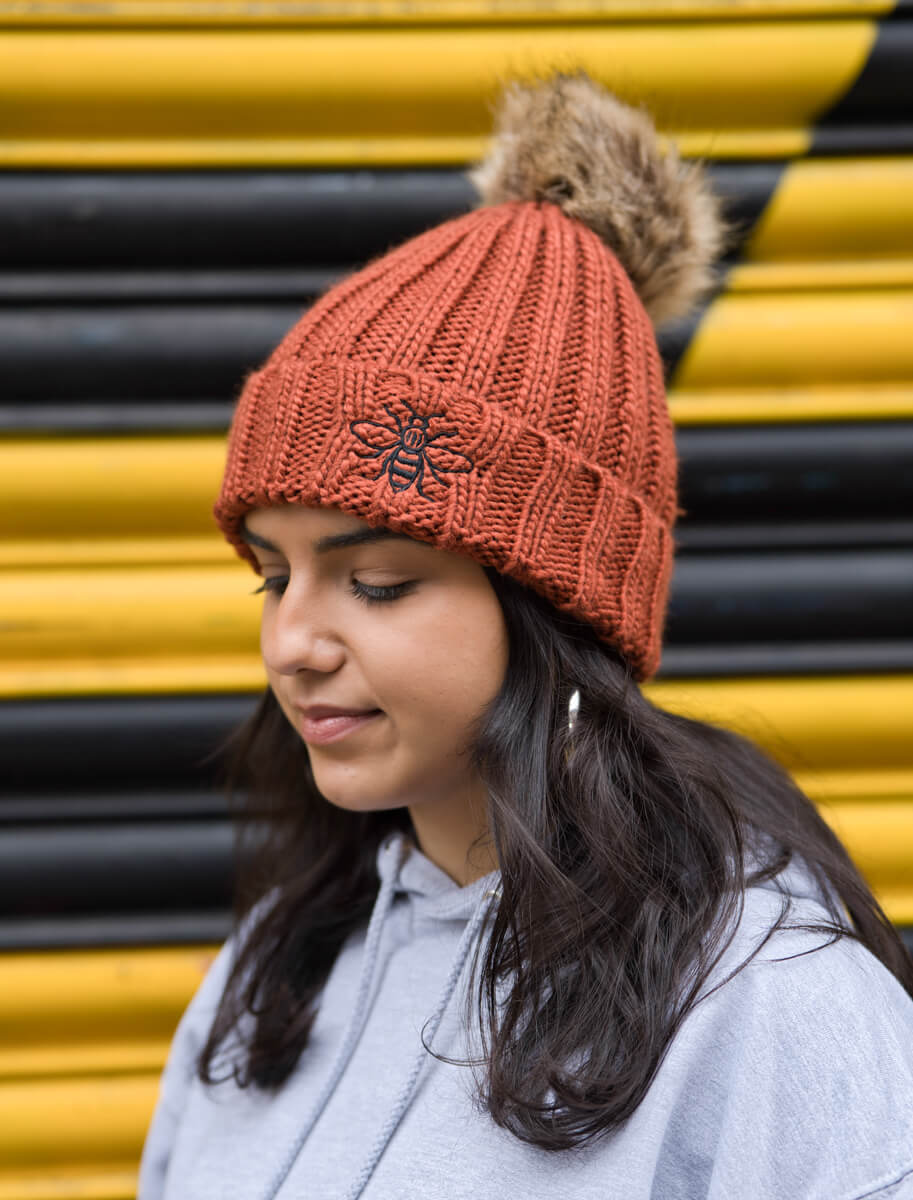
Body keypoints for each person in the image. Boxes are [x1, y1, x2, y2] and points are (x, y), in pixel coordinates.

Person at [138, 72, 913, 1199]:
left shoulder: (768, 999)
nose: (293, 641)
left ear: (560, 607)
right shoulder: (279, 970)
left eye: (379, 582)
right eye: (273, 576)